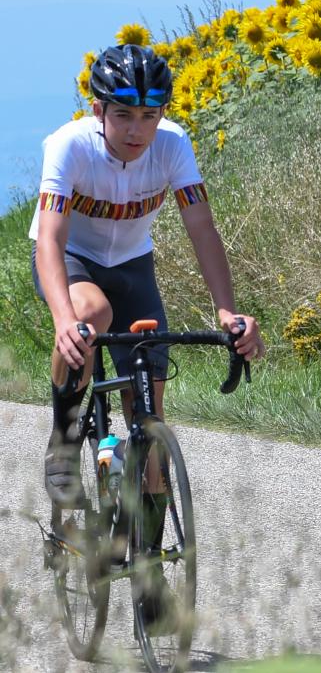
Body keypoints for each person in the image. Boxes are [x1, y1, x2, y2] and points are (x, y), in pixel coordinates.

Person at [30, 43, 264, 509]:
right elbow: (51, 240)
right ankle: (65, 437)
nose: (137, 130)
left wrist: (228, 311)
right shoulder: (69, 145)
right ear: (98, 110)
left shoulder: (173, 144)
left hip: (134, 266)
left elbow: (202, 229)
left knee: (150, 424)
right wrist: (62, 320)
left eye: (148, 115)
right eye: (122, 115)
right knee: (90, 314)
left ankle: (150, 567)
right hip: (71, 259)